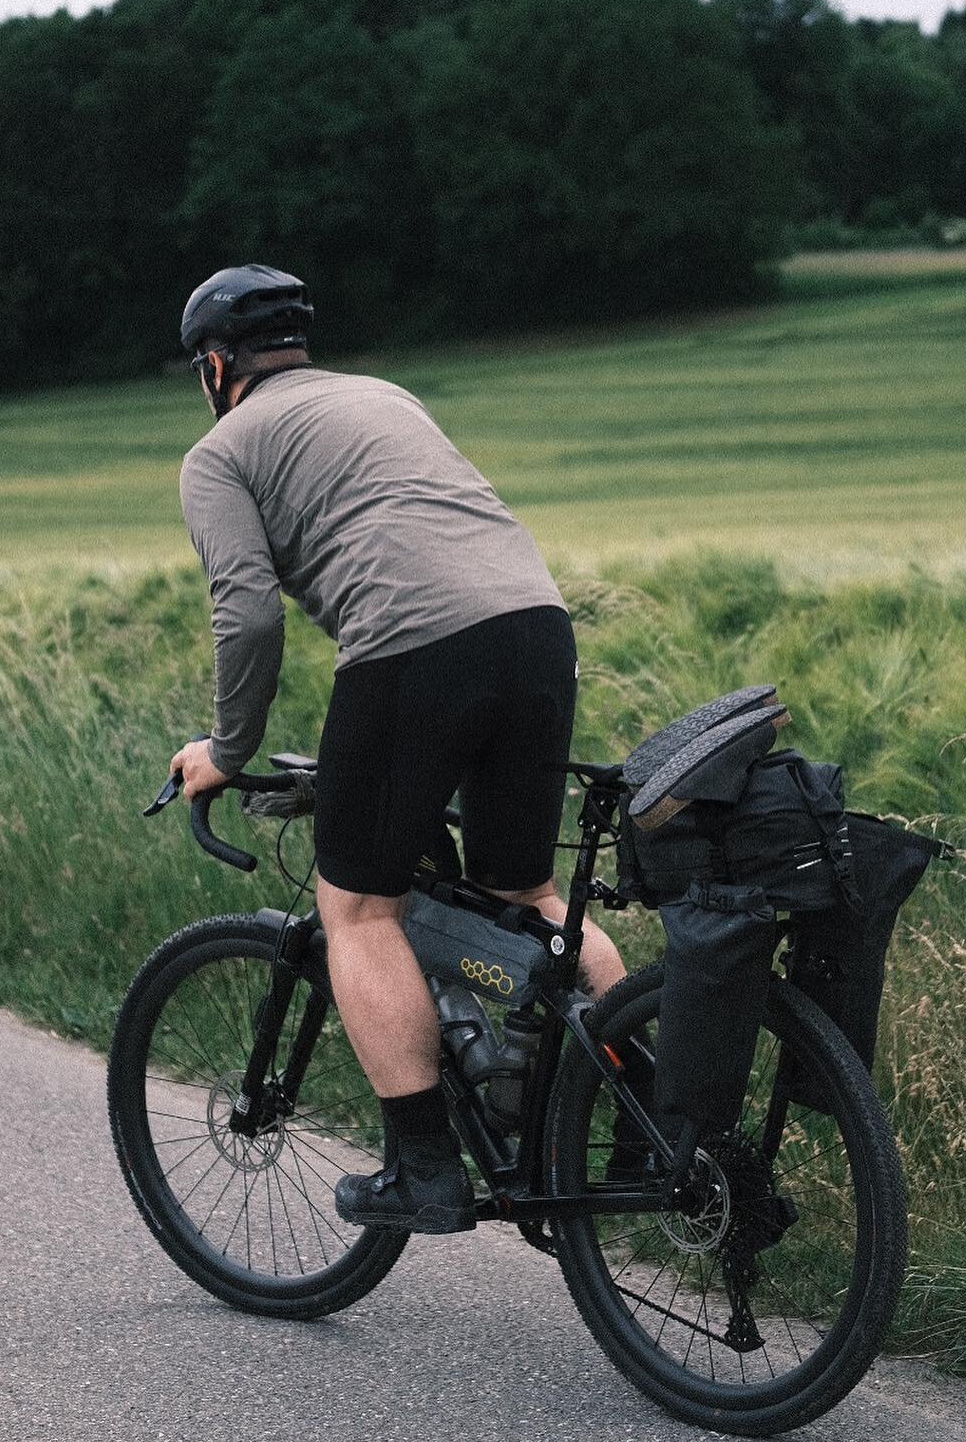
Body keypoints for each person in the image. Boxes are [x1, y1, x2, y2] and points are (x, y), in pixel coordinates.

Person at [170, 263, 625, 1234]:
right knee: (524, 893)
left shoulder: (218, 453)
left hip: (416, 646)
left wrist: (225, 746)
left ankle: (425, 1170)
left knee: (360, 907)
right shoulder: (382, 395)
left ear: (215, 365)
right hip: (539, 629)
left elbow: (247, 619)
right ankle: (641, 1105)